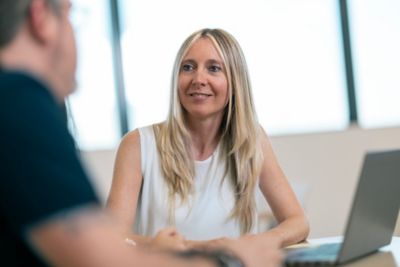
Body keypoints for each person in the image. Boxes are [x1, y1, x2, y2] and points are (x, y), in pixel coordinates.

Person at [0, 1, 282, 266]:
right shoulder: (17, 102)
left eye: (214, 68)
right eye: (71, 13)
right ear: (41, 16)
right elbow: (101, 258)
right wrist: (228, 261)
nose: (199, 79)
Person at [107, 28, 309, 262]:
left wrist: (260, 242)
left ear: (235, 81)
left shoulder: (252, 141)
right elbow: (113, 237)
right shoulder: (138, 145)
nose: (198, 79)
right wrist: (190, 247)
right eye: (188, 67)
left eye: (213, 68)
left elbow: (298, 221)